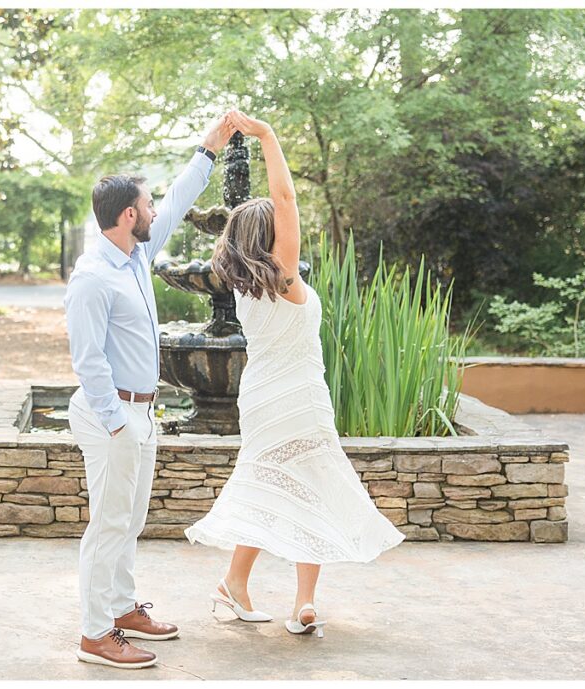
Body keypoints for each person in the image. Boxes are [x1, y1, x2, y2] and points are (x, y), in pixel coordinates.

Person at [185, 110, 405, 639]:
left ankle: (239, 586)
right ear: (272, 236)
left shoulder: (244, 286)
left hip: (264, 397)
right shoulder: (283, 278)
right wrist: (266, 135)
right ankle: (299, 599)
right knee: (310, 483)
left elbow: (277, 209)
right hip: (297, 396)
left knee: (271, 481)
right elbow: (285, 199)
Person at [64, 113, 236, 669]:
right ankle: (95, 634)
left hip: (141, 414)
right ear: (128, 216)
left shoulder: (135, 255)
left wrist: (208, 150)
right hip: (110, 415)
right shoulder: (92, 277)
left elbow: (180, 199)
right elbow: (87, 360)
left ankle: (121, 608)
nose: (156, 211)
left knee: (130, 521)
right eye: (148, 204)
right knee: (108, 524)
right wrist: (117, 422)